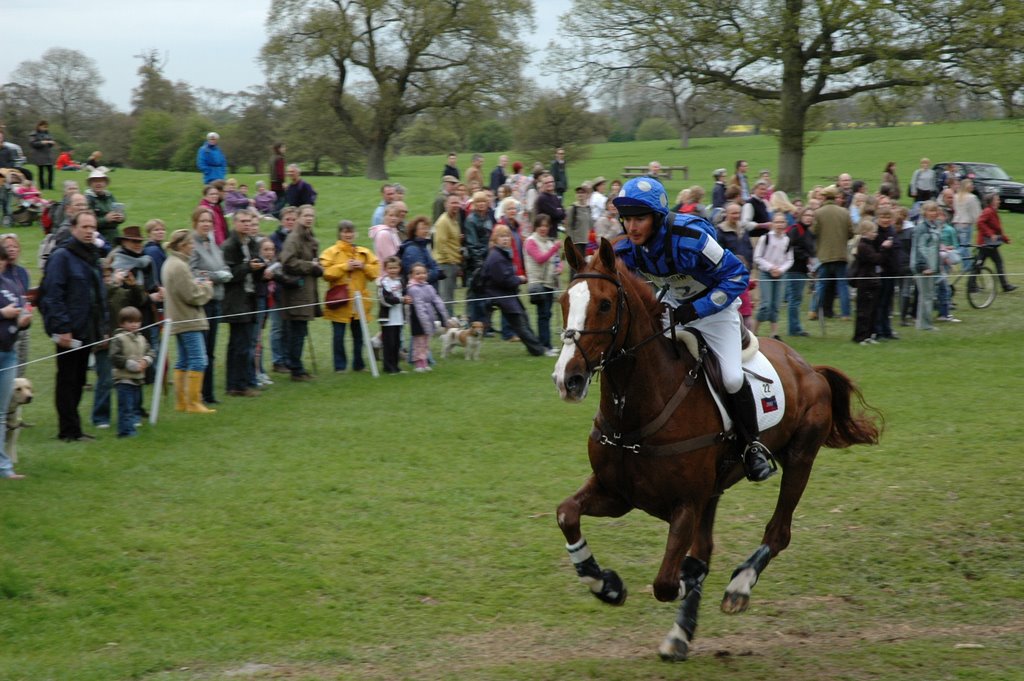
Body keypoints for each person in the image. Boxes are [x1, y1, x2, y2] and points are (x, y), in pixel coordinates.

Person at [611, 177, 774, 482]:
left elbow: (738, 277)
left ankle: (752, 447)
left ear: (657, 219)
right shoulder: (627, 247)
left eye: (640, 219)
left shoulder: (692, 237)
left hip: (716, 314)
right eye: (627, 219)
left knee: (732, 377)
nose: (632, 227)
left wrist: (697, 309)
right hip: (673, 309)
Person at [40, 211, 108, 442]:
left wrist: (103, 327)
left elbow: (99, 295)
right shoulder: (61, 256)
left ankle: (74, 428)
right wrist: (62, 327)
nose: (89, 231)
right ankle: (67, 431)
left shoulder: (92, 255)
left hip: (88, 327)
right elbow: (53, 294)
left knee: (79, 378)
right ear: (73, 228)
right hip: (70, 330)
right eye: (85, 226)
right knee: (67, 379)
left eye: (93, 227)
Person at [161, 229, 216, 414]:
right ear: (183, 246)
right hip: (188, 318)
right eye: (191, 244)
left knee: (184, 360)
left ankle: (182, 403)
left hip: (178, 318)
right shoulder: (179, 266)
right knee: (199, 359)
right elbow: (191, 295)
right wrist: (206, 288)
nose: (193, 247)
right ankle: (193, 403)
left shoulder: (171, 263)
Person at [321, 220, 380, 373]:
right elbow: (326, 273)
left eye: (351, 232)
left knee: (359, 336)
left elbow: (375, 273)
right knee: (338, 336)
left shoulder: (364, 252)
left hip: (359, 301)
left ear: (355, 234)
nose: (348, 235)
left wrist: (363, 266)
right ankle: (340, 366)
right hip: (339, 301)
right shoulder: (331, 252)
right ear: (339, 234)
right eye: (345, 232)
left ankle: (358, 365)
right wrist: (345, 267)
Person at [480, 225, 548, 357]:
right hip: (501, 296)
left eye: (506, 236)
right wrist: (519, 279)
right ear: (495, 239)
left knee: (523, 319)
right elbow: (504, 280)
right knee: (520, 324)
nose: (505, 239)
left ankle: (536, 348)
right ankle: (538, 350)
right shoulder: (496, 257)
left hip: (508, 294)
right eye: (501, 237)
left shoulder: (503, 253)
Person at [190, 206, 232, 405]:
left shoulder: (213, 243)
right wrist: (216, 276)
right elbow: (192, 272)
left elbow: (221, 265)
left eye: (209, 221)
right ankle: (196, 393)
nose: (206, 224)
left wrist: (224, 272)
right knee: (201, 350)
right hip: (202, 303)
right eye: (203, 221)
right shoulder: (192, 245)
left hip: (216, 300)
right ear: (195, 223)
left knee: (211, 350)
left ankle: (208, 393)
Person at [221, 210, 264, 397]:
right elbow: (228, 274)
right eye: (243, 221)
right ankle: (236, 385)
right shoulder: (229, 246)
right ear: (235, 223)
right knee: (239, 345)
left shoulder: (252, 243)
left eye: (249, 221)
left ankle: (242, 382)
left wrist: (261, 267)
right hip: (236, 301)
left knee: (246, 343)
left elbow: (254, 269)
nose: (247, 224)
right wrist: (248, 267)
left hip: (251, 298)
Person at [279, 205, 323, 381]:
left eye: (312, 215)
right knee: (297, 330)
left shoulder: (309, 238)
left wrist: (317, 266)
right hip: (297, 291)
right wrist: (310, 266)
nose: (309, 218)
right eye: (306, 215)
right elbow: (287, 262)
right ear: (298, 217)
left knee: (300, 330)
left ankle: (296, 365)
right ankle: (296, 368)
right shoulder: (294, 238)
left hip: (308, 290)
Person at [0, 244, 32, 479]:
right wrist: (3, 314)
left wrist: (23, 319)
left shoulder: (11, 283)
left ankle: (4, 467)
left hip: (8, 350)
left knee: (2, 413)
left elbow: (21, 308)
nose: (3, 265)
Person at [808, 186, 854, 321]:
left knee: (821, 284)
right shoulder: (845, 212)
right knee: (842, 285)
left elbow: (813, 232)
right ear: (835, 197)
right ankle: (846, 314)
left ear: (824, 198)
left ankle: (813, 310)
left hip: (824, 255)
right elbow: (851, 233)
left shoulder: (818, 213)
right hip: (841, 254)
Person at [109, 306, 154, 437]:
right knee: (125, 407)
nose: (134, 325)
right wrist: (131, 365)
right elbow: (114, 356)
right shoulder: (118, 338)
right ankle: (125, 432)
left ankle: (131, 426)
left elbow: (150, 352)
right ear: (122, 323)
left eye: (137, 321)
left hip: (138, 380)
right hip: (123, 379)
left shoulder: (141, 338)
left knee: (135, 406)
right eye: (130, 322)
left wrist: (146, 361)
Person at [524, 214, 562, 354]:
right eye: (540, 225)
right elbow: (540, 259)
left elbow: (557, 260)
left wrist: (559, 267)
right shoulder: (531, 241)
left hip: (550, 283)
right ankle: (544, 346)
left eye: (546, 226)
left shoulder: (548, 242)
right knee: (543, 315)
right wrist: (554, 248)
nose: (543, 228)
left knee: (547, 315)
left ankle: (548, 345)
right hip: (538, 283)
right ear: (536, 227)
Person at [752, 213, 793, 340]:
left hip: (780, 274)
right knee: (766, 304)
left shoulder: (787, 240)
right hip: (766, 273)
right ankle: (754, 331)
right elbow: (757, 257)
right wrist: (771, 268)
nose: (780, 225)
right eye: (777, 222)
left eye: (782, 222)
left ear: (785, 224)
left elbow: (790, 259)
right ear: (773, 224)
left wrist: (780, 270)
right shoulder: (766, 238)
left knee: (776, 304)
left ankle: (774, 333)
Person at [406, 263, 449, 372]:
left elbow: (437, 300)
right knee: (418, 342)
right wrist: (425, 323)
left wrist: (444, 316)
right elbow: (419, 307)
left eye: (424, 273)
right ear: (411, 275)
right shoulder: (413, 289)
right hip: (417, 318)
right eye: (418, 273)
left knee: (426, 342)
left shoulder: (428, 287)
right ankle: (418, 363)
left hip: (428, 317)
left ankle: (424, 362)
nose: (421, 275)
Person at [851, 221, 886, 345]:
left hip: (872, 280)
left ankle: (869, 334)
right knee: (864, 310)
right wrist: (884, 248)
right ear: (866, 232)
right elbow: (876, 259)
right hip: (865, 281)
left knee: (872, 310)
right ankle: (860, 336)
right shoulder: (863, 246)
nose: (875, 234)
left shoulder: (869, 245)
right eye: (873, 232)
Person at [976, 193, 1017, 293]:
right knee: (986, 264)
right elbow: (980, 222)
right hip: (986, 243)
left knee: (982, 264)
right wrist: (990, 234)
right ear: (992, 201)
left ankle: (1005, 285)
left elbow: (998, 229)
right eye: (997, 199)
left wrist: (1005, 239)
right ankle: (1005, 286)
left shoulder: (993, 212)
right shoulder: (988, 211)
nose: (999, 201)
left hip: (990, 244)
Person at [2, 234, 31, 375]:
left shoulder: (23, 273)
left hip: (20, 326)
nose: (12, 250)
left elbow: (24, 297)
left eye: (15, 246)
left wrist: (26, 313)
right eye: (8, 247)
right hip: (4, 330)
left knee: (20, 368)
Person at [911, 201, 943, 331]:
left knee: (929, 295)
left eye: (935, 210)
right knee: (926, 296)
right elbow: (919, 248)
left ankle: (924, 323)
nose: (933, 213)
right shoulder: (921, 228)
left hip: (932, 265)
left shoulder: (935, 226)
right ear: (924, 213)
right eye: (930, 211)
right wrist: (923, 266)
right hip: (923, 268)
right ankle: (925, 325)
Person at [785, 208, 815, 337]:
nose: (809, 218)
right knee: (794, 299)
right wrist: (806, 256)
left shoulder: (808, 232)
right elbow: (790, 248)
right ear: (801, 216)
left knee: (797, 299)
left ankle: (796, 327)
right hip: (794, 269)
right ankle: (794, 328)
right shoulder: (795, 230)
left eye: (811, 216)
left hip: (803, 269)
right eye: (807, 215)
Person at [433, 194, 463, 317]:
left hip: (453, 263)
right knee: (446, 297)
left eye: (457, 203)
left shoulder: (454, 220)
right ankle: (447, 323)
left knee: (449, 295)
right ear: (446, 205)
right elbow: (441, 244)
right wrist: (451, 261)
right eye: (452, 203)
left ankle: (446, 320)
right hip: (445, 263)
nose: (455, 205)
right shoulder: (443, 221)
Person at [377, 256, 406, 375]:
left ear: (399, 268)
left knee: (397, 343)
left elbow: (404, 294)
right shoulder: (383, 282)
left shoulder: (401, 281)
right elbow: (386, 299)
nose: (393, 270)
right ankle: (388, 367)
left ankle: (396, 366)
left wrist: (405, 299)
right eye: (390, 268)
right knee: (389, 343)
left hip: (398, 318)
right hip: (388, 318)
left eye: (395, 267)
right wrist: (401, 299)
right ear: (385, 269)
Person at [84, 169, 125, 246]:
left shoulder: (110, 196)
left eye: (101, 181)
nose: (98, 184)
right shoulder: (87, 199)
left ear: (105, 183)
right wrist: (106, 219)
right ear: (90, 184)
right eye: (95, 181)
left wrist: (121, 217)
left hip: (115, 235)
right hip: (99, 238)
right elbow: (87, 222)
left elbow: (121, 212)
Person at [399, 216, 440, 286]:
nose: (426, 231)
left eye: (427, 228)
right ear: (414, 231)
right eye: (423, 229)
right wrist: (436, 272)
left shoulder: (423, 246)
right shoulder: (412, 249)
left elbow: (433, 265)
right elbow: (420, 274)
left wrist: (435, 270)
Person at [564, 184, 593, 276]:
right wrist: (570, 242)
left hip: (585, 241)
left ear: (587, 195)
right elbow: (568, 226)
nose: (580, 195)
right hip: (576, 242)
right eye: (578, 193)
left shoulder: (588, 208)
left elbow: (590, 224)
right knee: (576, 265)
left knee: (583, 265)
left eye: (582, 192)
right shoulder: (573, 208)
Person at [28, 120, 58, 191]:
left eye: (46, 127)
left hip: (48, 155)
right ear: (39, 126)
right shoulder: (33, 134)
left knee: (51, 171)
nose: (45, 128)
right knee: (41, 171)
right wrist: (42, 142)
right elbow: (32, 144)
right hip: (39, 155)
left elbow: (50, 143)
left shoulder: (48, 134)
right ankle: (42, 186)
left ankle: (50, 186)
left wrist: (51, 143)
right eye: (44, 127)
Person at [269, 142, 286, 213]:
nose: (285, 149)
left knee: (275, 199)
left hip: (272, 182)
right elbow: (280, 172)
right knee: (283, 199)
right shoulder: (279, 158)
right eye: (283, 147)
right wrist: (283, 182)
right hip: (279, 183)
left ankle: (272, 212)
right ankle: (273, 213)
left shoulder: (272, 158)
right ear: (279, 149)